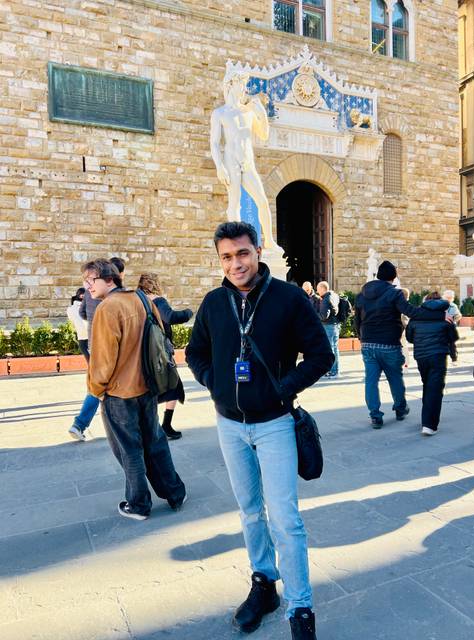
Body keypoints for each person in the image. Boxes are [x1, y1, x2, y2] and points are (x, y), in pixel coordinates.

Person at [186, 221, 333, 640]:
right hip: (229, 426)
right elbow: (196, 351)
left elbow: (320, 354)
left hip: (275, 425)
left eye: (243, 253)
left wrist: (281, 390)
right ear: (220, 259)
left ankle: (300, 608)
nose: (236, 263)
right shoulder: (214, 303)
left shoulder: (288, 298)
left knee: (286, 519)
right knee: (250, 512)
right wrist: (214, 383)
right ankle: (264, 584)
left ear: (258, 250)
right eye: (227, 257)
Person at [86, 259, 186, 520]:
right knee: (155, 441)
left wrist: (96, 389)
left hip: (119, 392)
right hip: (148, 386)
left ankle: (139, 505)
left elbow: (103, 361)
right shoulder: (142, 299)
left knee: (129, 448)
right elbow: (161, 335)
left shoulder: (107, 309)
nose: (87, 286)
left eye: (91, 279)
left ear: (110, 279)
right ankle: (175, 492)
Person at [355, 260, 448, 428]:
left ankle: (375, 416)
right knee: (394, 377)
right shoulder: (394, 293)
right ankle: (400, 408)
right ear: (394, 277)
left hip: (368, 343)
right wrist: (439, 316)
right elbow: (411, 312)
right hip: (389, 343)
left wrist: (362, 338)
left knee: (370, 380)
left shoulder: (362, 294)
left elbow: (357, 321)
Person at [210, 68, 282, 252]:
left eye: (244, 84)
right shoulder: (220, 113)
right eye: (241, 83)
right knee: (234, 203)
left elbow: (264, 135)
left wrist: (261, 114)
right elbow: (215, 143)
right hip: (230, 160)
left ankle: (269, 241)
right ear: (231, 85)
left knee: (262, 201)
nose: (244, 88)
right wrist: (220, 166)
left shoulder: (248, 112)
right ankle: (235, 243)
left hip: (247, 162)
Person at [68, 257, 126, 442]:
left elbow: (82, 312)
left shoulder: (93, 295)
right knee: (100, 385)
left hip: (93, 343)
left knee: (99, 383)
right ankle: (80, 423)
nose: (89, 285)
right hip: (109, 349)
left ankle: (81, 423)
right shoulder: (118, 299)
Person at [137, 273, 193, 440]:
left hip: (141, 351)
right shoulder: (157, 300)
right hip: (159, 352)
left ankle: (149, 428)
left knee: (149, 389)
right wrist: (188, 312)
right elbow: (171, 317)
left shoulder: (136, 300)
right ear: (155, 284)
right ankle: (165, 425)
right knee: (173, 386)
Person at [406, 292, 458, 436]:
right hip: (438, 356)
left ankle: (426, 418)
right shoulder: (445, 316)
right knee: (435, 388)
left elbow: (409, 338)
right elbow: (453, 337)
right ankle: (429, 425)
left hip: (421, 356)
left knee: (427, 385)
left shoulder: (416, 316)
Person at [316, 281, 340, 378]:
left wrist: (314, 314)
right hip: (334, 325)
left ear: (323, 289)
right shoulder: (333, 295)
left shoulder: (326, 299)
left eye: (318, 289)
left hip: (329, 326)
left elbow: (324, 316)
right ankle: (334, 370)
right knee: (334, 348)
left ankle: (334, 371)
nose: (317, 291)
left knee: (331, 349)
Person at [66, 287, 89, 362]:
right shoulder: (89, 306)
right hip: (92, 334)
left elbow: (72, 321)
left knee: (88, 356)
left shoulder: (70, 309)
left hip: (81, 335)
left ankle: (93, 370)